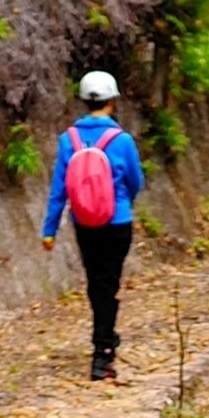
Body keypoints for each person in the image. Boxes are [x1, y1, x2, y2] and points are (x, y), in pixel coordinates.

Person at [41, 71, 146, 382]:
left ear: (85, 101)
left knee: (95, 281)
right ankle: (102, 353)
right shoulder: (123, 140)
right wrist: (124, 200)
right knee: (108, 283)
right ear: (112, 101)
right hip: (117, 222)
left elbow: (59, 190)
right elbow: (136, 182)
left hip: (84, 223)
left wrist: (49, 230)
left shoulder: (68, 140)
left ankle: (105, 335)